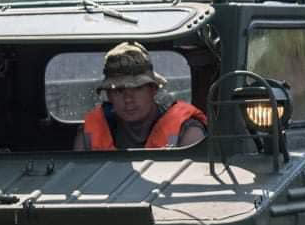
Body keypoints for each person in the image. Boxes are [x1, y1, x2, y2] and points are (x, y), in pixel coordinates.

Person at [74, 42, 207, 150]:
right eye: (119, 90)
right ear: (109, 95)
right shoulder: (89, 133)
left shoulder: (187, 131)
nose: (128, 99)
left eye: (137, 88)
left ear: (153, 89)